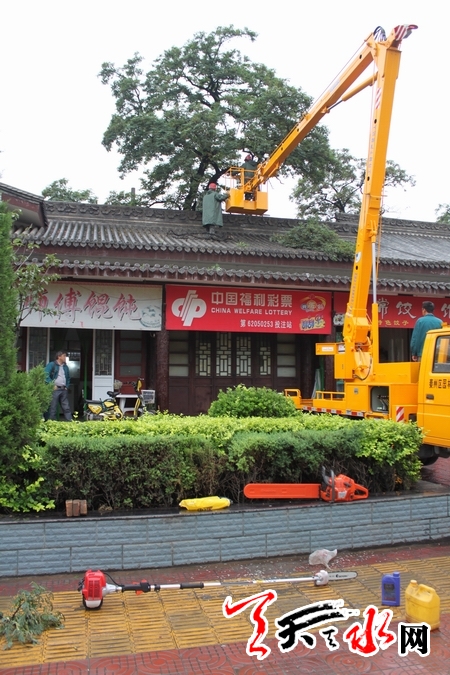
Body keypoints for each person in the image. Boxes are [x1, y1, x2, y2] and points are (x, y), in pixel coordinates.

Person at [44, 350, 72, 420]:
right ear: (59, 357)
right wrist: (52, 384)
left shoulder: (65, 367)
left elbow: (68, 377)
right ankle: (52, 422)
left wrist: (67, 386)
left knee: (66, 407)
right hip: (55, 389)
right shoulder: (51, 365)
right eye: (64, 356)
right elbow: (45, 375)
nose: (65, 357)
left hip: (63, 389)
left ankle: (70, 421)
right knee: (53, 407)